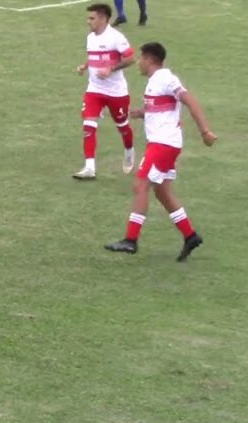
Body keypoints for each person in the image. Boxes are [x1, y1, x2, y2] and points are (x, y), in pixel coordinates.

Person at [105, 42, 217, 260]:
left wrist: (205, 131)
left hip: (163, 144)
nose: (138, 63)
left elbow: (189, 101)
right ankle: (190, 235)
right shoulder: (154, 82)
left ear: (149, 59)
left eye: (140, 58)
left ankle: (131, 240)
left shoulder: (165, 78)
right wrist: (141, 113)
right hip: (162, 143)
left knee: (140, 184)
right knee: (162, 192)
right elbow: (163, 107)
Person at [74, 3, 137, 180]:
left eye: (92, 18)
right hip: (94, 89)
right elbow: (93, 56)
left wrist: (111, 69)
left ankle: (129, 151)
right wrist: (85, 66)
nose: (88, 22)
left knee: (122, 126)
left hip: (116, 92)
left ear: (103, 19)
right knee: (88, 126)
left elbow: (131, 58)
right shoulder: (90, 38)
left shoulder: (116, 37)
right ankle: (89, 168)